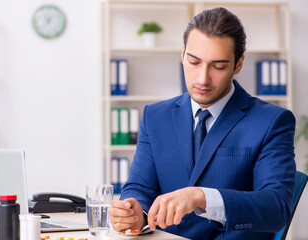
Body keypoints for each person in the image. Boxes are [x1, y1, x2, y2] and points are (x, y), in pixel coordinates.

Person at [108, 7, 296, 240]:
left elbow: (276, 208)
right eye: (194, 62)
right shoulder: (154, 116)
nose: (202, 79)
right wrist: (136, 211)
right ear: (182, 54)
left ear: (238, 64)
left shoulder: (271, 121)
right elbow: (141, 187)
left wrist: (203, 197)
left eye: (218, 66)